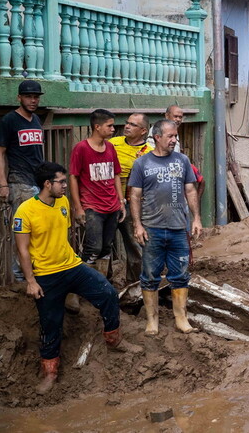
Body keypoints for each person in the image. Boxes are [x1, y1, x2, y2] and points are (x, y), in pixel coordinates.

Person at [15, 162, 142, 395]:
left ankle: (114, 339)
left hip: (72, 266)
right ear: (47, 184)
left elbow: (65, 235)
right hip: (46, 275)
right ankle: (50, 372)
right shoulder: (25, 211)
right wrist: (31, 281)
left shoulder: (62, 202)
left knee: (107, 293)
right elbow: (22, 250)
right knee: (50, 323)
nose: (65, 185)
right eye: (61, 182)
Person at [129, 120, 203, 336]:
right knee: (150, 275)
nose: (174, 140)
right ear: (157, 137)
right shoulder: (142, 164)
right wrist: (137, 225)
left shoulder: (182, 160)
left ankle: (181, 318)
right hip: (152, 228)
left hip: (179, 228)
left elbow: (190, 190)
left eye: (175, 136)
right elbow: (134, 195)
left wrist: (196, 218)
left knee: (180, 274)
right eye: (170, 136)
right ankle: (152, 320)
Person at [68, 109, 124, 281]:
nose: (113, 129)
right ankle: (79, 289)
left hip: (112, 206)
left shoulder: (110, 148)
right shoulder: (81, 149)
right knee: (93, 247)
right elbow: (73, 177)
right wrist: (78, 207)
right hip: (92, 207)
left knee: (107, 247)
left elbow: (116, 174)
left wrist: (121, 201)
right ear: (97, 127)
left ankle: (101, 286)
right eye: (110, 126)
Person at [0, 80, 46, 282]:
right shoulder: (9, 121)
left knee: (39, 229)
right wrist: (2, 184)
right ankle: (20, 278)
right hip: (19, 182)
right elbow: (0, 154)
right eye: (28, 96)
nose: (33, 100)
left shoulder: (36, 119)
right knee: (23, 231)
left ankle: (33, 274)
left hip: (37, 181)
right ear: (19, 97)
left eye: (36, 97)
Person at [110, 113, 153, 285]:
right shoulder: (112, 143)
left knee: (136, 247)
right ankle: (104, 285)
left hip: (133, 204)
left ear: (143, 131)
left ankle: (134, 286)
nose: (127, 126)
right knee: (102, 247)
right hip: (108, 200)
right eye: (126, 123)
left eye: (132, 125)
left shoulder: (149, 153)